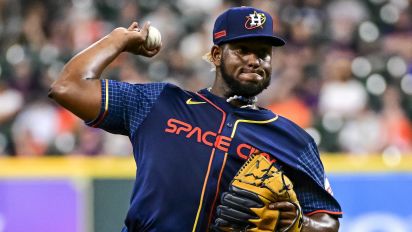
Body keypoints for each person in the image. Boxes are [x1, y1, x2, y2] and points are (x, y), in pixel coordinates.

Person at [49, 6, 342, 232]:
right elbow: (67, 87)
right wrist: (118, 40)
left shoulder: (293, 139)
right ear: (216, 54)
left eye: (263, 54)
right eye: (242, 50)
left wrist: (300, 223)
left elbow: (328, 221)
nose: (254, 60)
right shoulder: (159, 103)